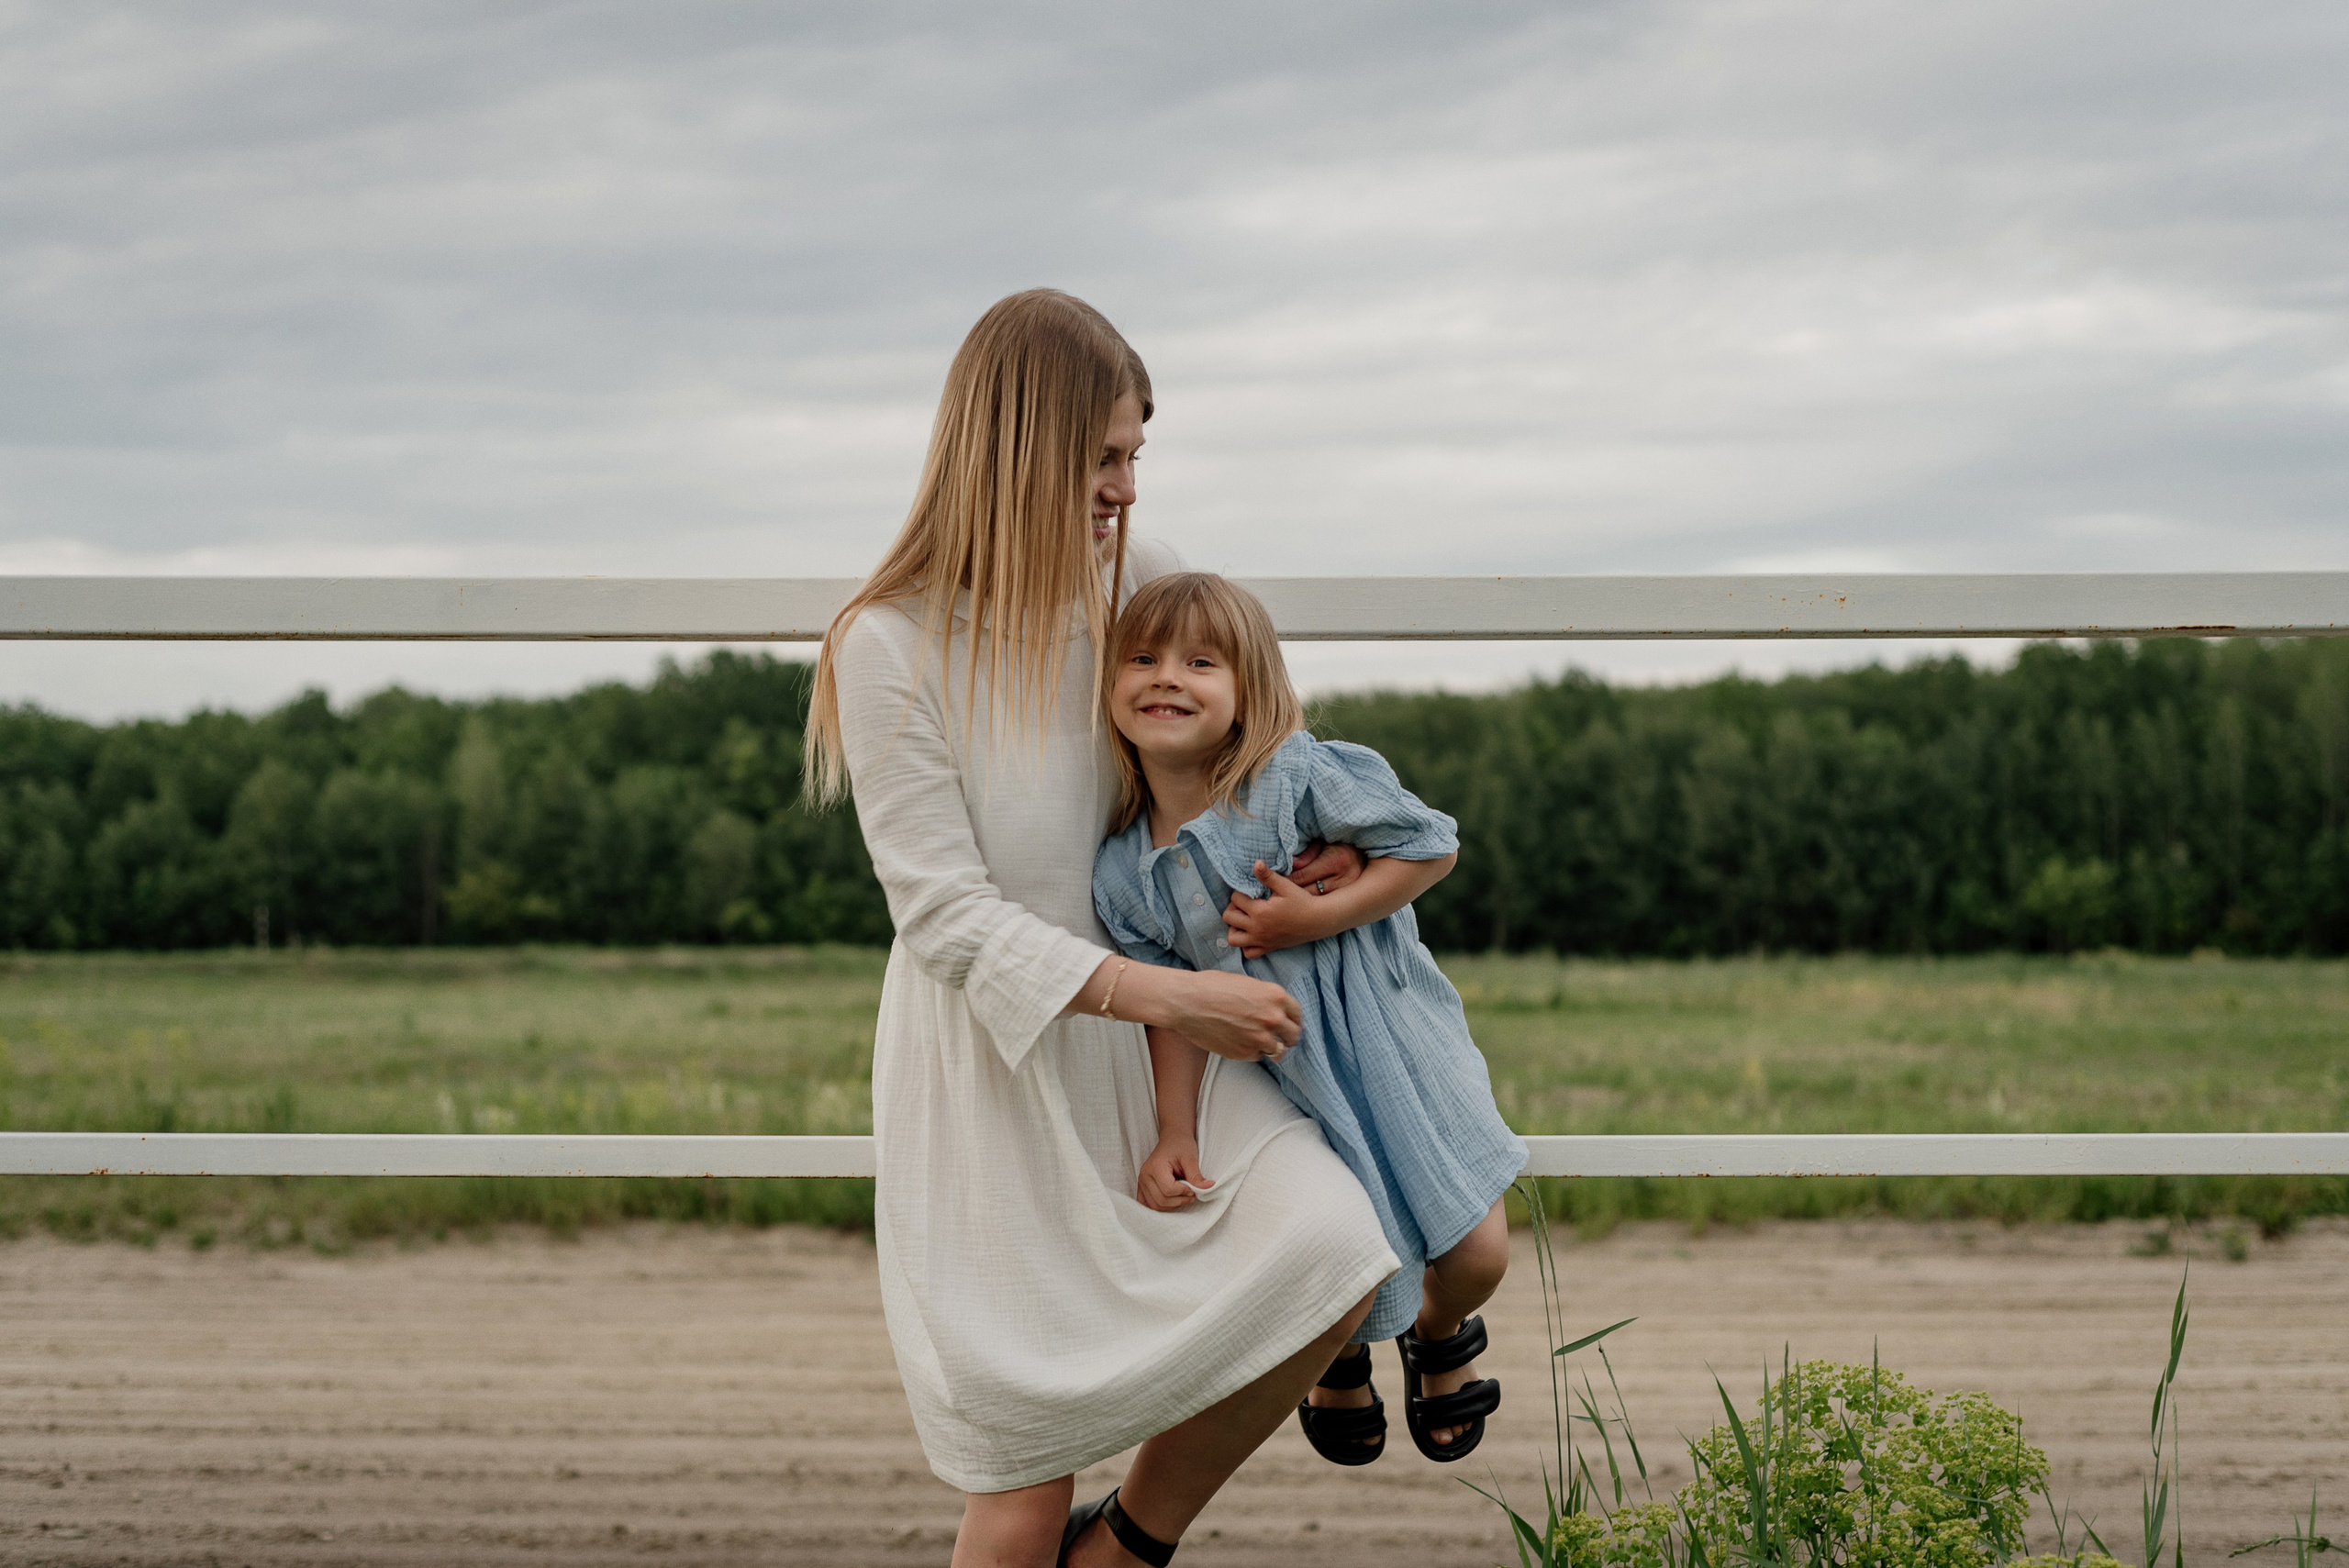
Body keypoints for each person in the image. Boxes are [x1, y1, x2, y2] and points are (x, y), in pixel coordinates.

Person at [806, 290, 1400, 1568]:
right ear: (1022, 448)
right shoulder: (888, 644)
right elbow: (949, 922)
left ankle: (1128, 1545)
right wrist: (1169, 998)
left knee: (1335, 1251)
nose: (1127, 487)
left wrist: (1322, 838)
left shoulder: (1136, 582)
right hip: (1002, 1065)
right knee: (1022, 1476)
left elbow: (1242, 740)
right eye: (1106, 456)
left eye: (1138, 455)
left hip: (1165, 1045)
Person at [1091, 573, 1527, 1467]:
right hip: (1282, 1079)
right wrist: (1174, 1128)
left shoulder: (1290, 780)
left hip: (1399, 1047)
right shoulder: (1125, 870)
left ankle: (1439, 1328)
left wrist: (1314, 916)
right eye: (1142, 658)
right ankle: (1338, 1349)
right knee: (1333, 1245)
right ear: (1107, 684)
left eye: (1200, 662)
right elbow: (1165, 1007)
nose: (1167, 677)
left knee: (1479, 1250)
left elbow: (1429, 843)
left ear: (1249, 691)